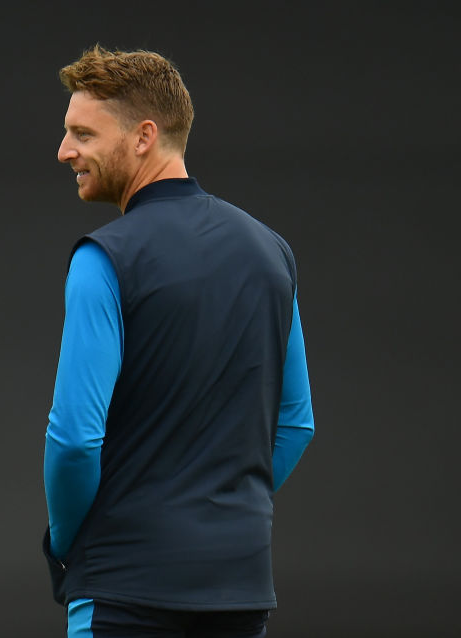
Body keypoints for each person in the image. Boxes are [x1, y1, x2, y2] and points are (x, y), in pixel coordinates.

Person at [43, 46, 314, 637]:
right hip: (238, 585)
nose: (64, 151)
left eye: (82, 134)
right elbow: (295, 423)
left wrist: (68, 542)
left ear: (144, 136)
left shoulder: (103, 258)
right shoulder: (272, 254)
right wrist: (222, 513)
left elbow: (74, 440)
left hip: (122, 586)